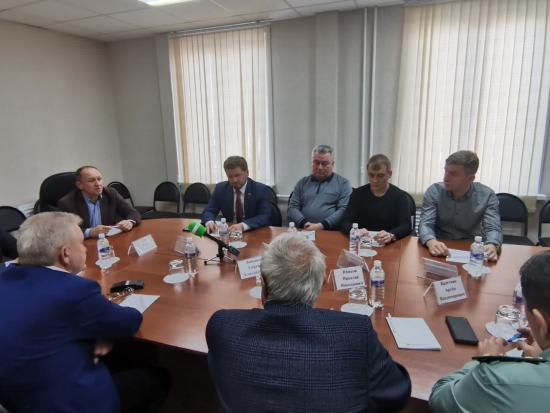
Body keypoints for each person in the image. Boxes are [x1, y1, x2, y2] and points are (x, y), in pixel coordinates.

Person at [206, 232, 411, 412]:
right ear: (321, 283)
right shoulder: (355, 332)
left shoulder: (222, 326)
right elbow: (397, 393)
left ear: (264, 285)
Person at [0, 212, 144, 412]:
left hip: (15, 401)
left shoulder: (4, 277)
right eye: (82, 244)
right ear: (65, 254)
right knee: (155, 378)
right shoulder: (74, 290)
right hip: (69, 404)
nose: (85, 249)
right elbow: (129, 322)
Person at [429, 251, 550, 412]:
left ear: (541, 323)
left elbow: (440, 399)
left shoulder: (496, 379)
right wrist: (543, 352)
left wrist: (486, 362)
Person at [418, 150, 502, 260]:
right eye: (445, 171)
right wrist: (430, 241)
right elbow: (426, 223)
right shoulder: (434, 191)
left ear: (470, 178)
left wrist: (492, 244)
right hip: (439, 245)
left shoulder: (487, 195)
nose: (445, 178)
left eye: (453, 174)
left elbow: (492, 227)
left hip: (470, 247)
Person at [340, 154, 412, 243]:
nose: (375, 180)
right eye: (371, 175)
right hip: (362, 242)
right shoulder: (358, 194)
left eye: (380, 175)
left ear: (390, 174)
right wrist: (355, 231)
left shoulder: (400, 196)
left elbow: (406, 225)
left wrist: (391, 235)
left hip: (389, 244)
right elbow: (345, 221)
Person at [58, 165, 141, 239]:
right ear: (80, 185)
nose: (98, 184)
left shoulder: (110, 193)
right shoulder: (67, 203)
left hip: (110, 240)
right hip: (85, 244)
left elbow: (133, 212)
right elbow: (65, 232)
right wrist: (90, 232)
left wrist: (130, 222)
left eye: (99, 179)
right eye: (91, 180)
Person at [288, 144, 352, 230]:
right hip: (303, 229)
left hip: (330, 231)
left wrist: (322, 225)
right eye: (316, 162)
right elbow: (293, 207)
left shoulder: (343, 184)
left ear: (332, 164)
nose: (320, 167)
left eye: (324, 163)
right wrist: (304, 223)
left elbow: (343, 210)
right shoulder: (302, 183)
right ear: (312, 162)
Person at [202, 156, 272, 234]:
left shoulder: (260, 189)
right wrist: (209, 221)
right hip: (230, 233)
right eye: (230, 176)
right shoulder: (221, 189)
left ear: (247, 173)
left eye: (237, 175)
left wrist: (243, 226)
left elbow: (264, 216)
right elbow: (209, 210)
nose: (234, 180)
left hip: (254, 232)